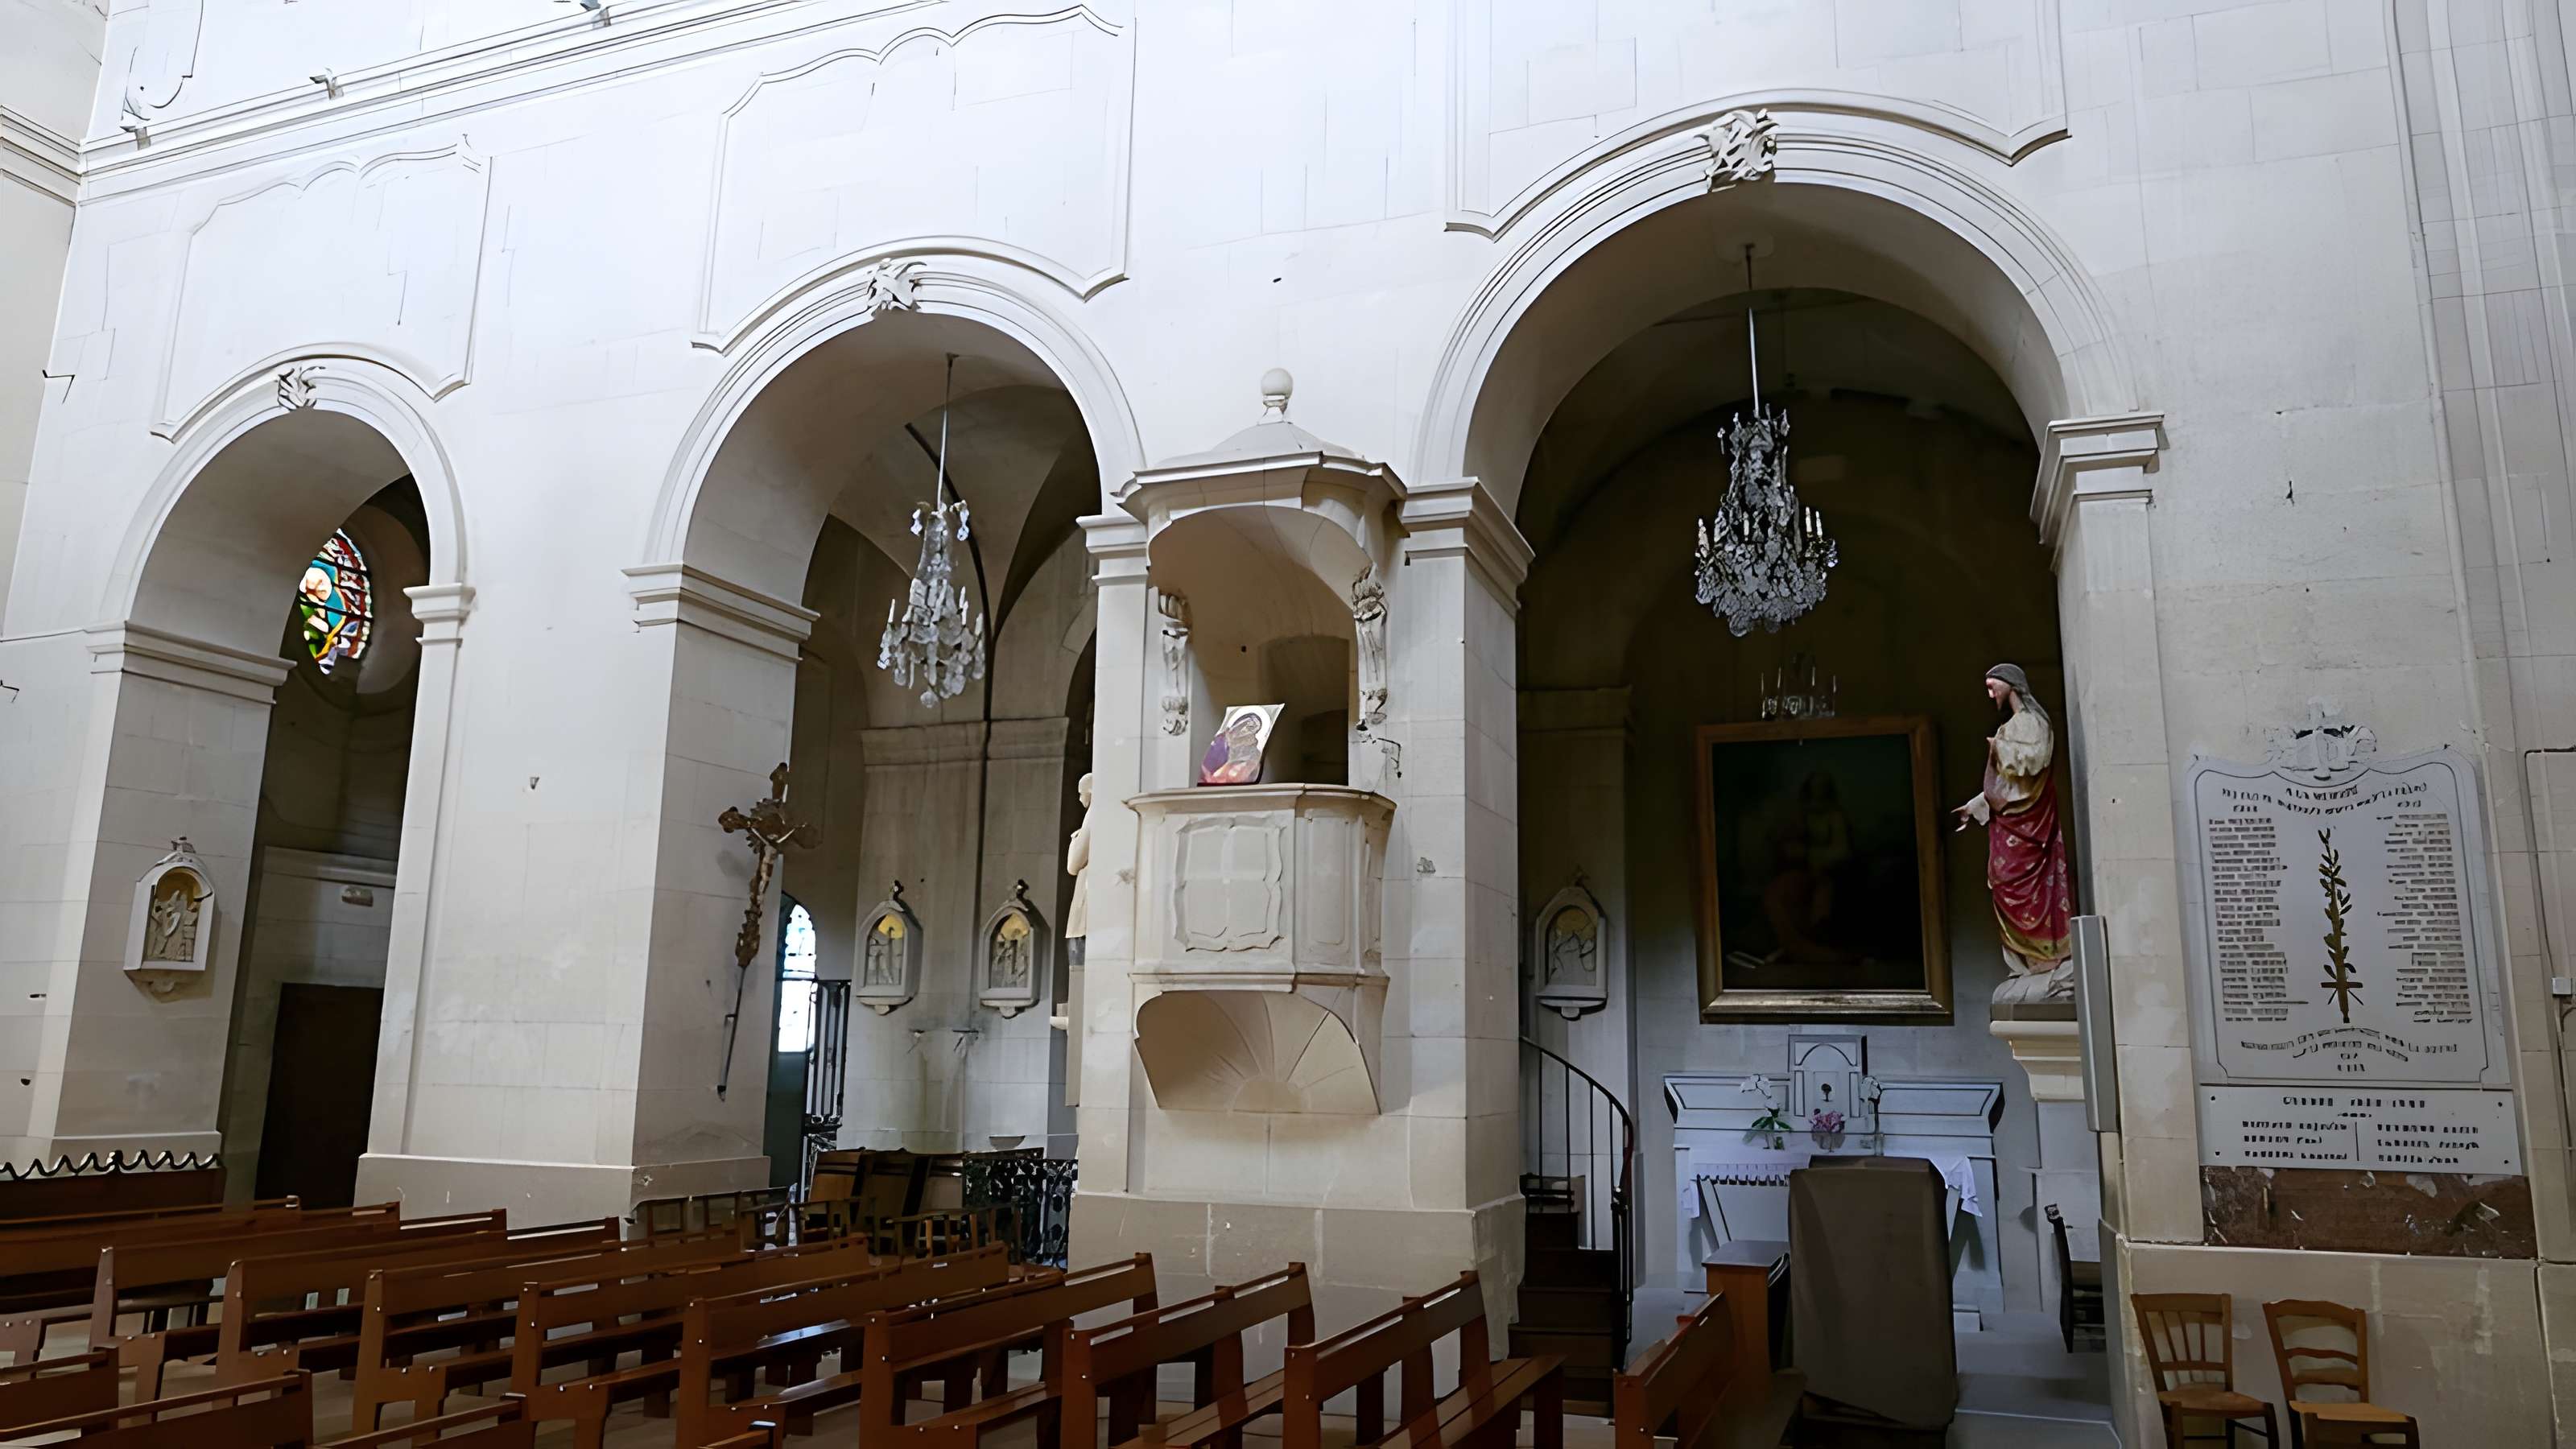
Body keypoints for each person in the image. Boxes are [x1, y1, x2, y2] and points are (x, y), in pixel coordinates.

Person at [1954, 663, 2073, 979]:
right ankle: (2024, 959)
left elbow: (2036, 761)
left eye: (1993, 685)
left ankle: (2045, 957)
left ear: (2012, 684)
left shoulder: (2033, 722)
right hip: (2008, 822)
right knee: (2001, 881)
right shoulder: (2011, 726)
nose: (1989, 692)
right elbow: (2004, 787)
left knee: (2026, 883)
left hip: (2031, 824)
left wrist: (1999, 747)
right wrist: (1974, 805)